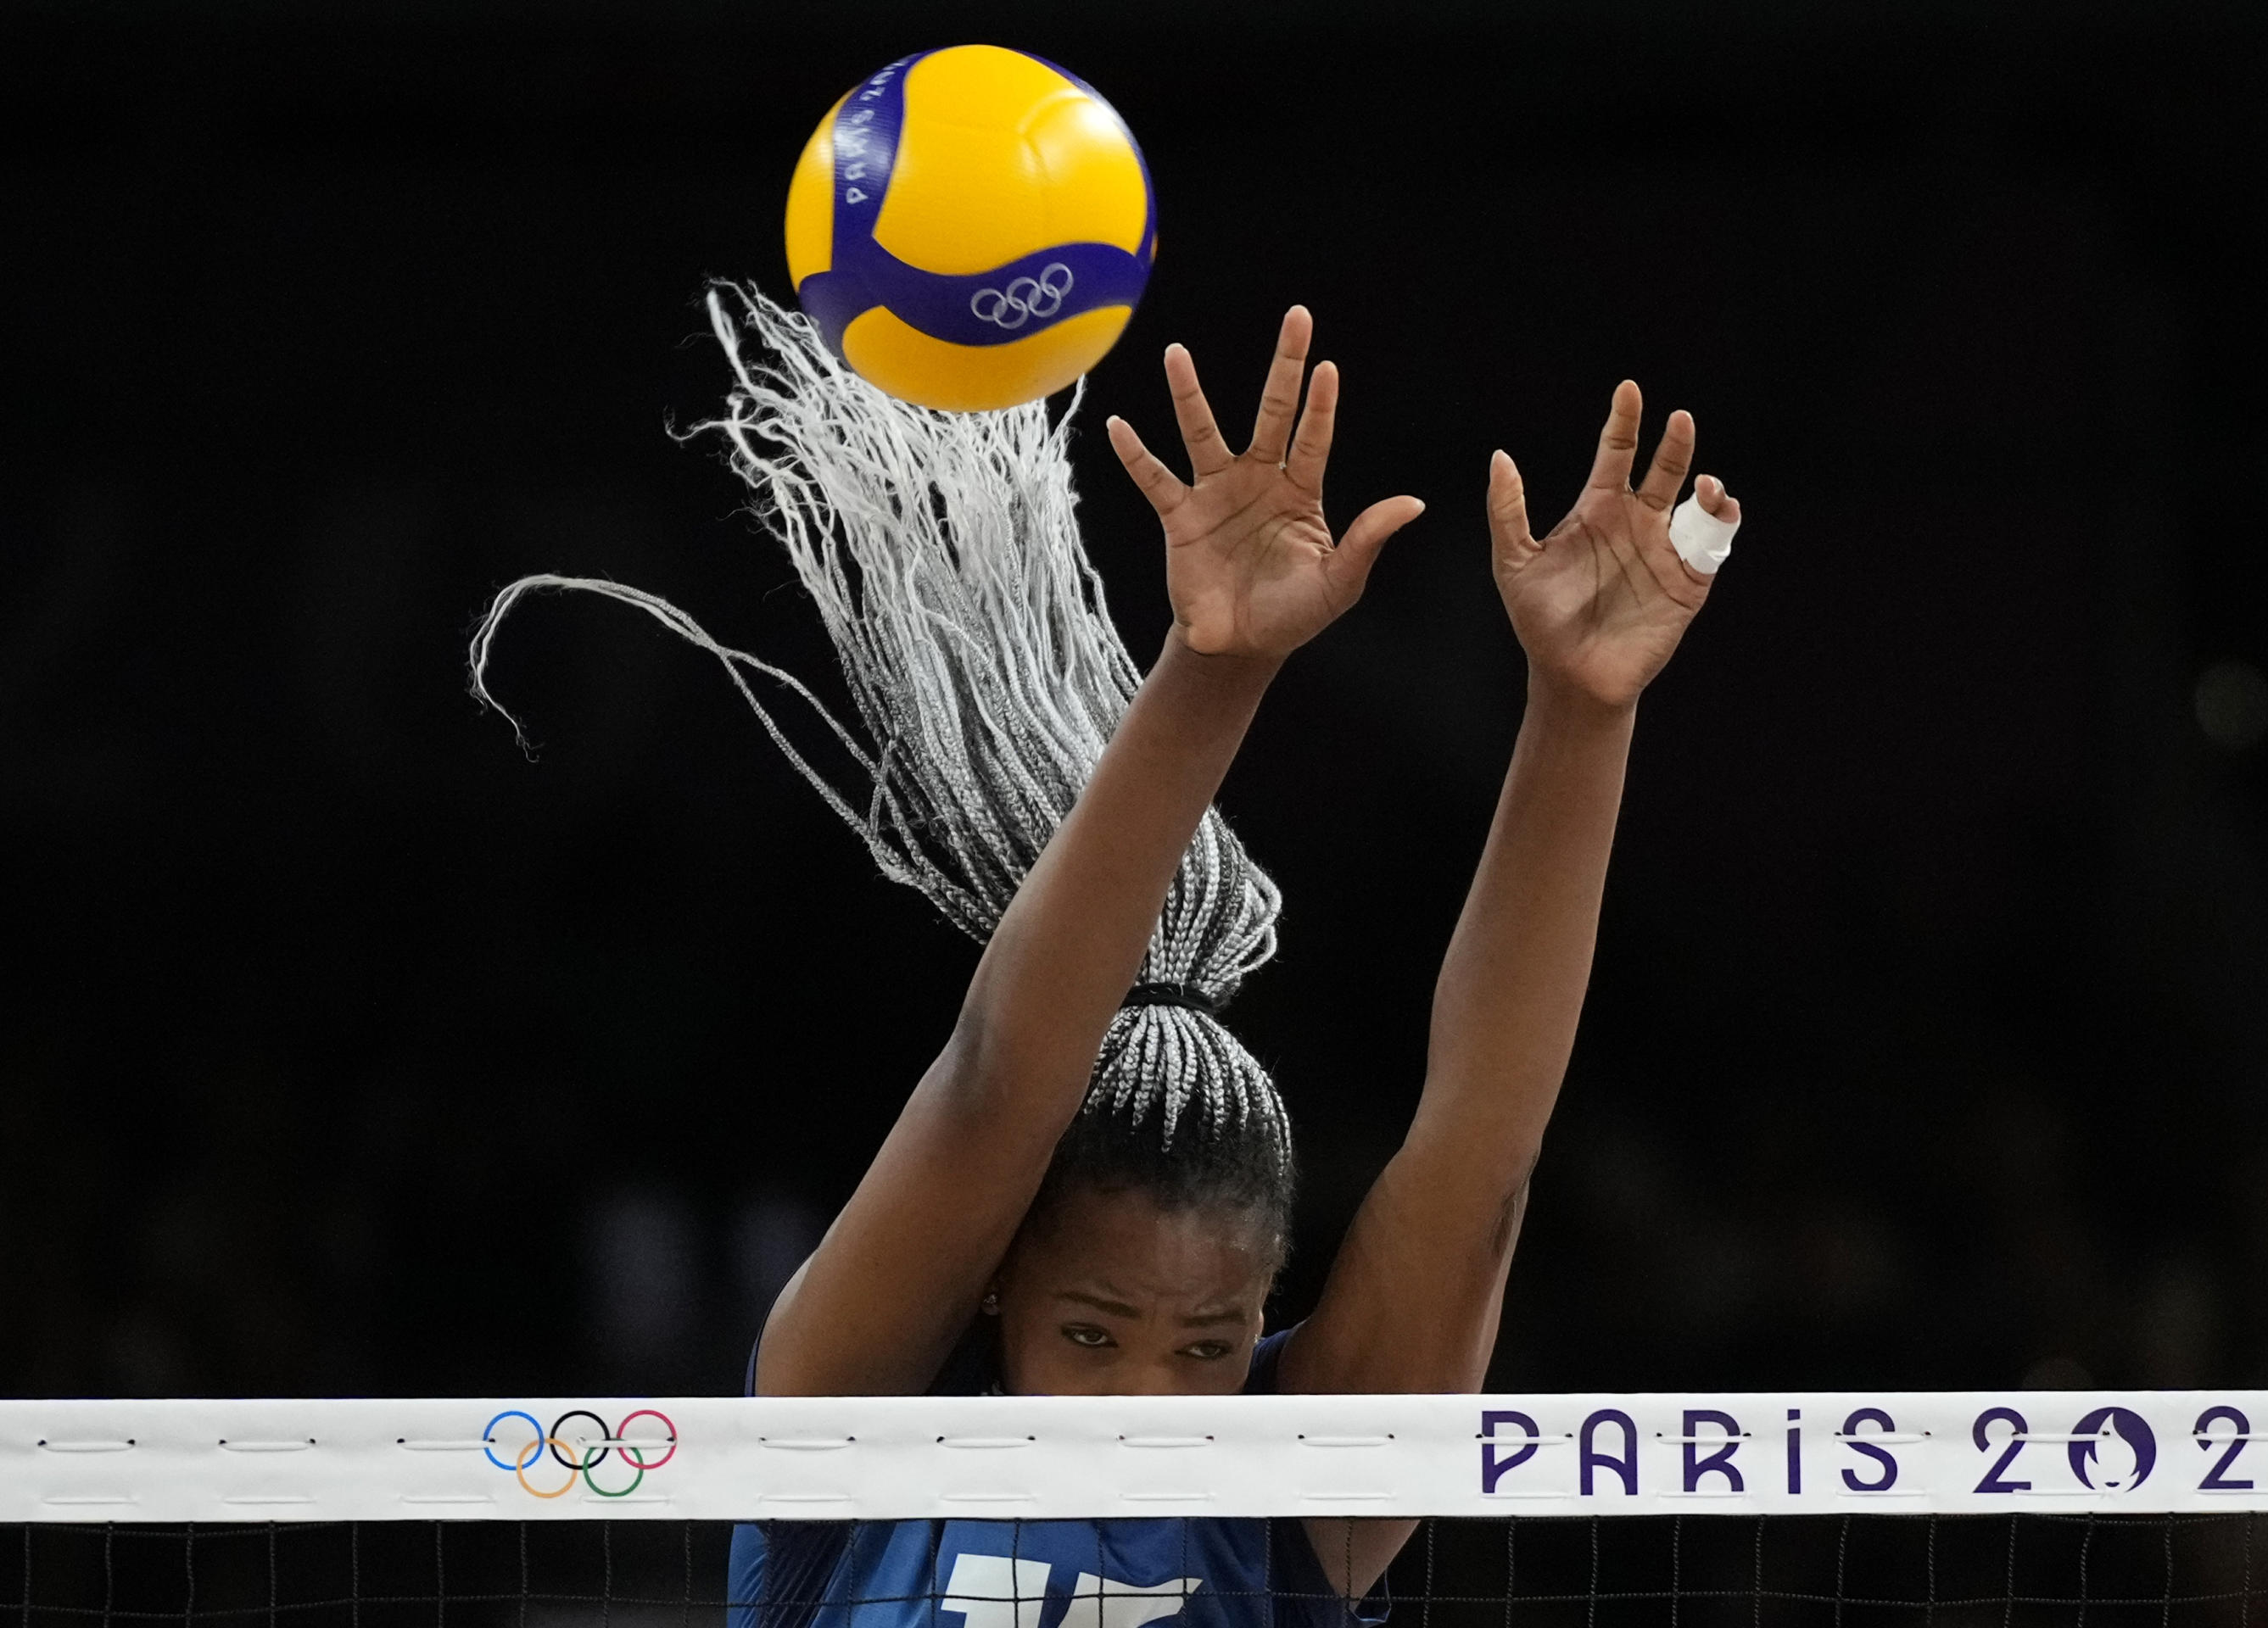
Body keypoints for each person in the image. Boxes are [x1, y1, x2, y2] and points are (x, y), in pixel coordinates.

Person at [473, 296, 1740, 1628]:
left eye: (1207, 1347)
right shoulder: (843, 1452)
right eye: (1091, 1335)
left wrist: (1584, 711)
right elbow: (995, 1090)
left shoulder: (1291, 1505)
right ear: (1002, 1278)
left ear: (1263, 1318)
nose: (1147, 1406)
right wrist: (1214, 672)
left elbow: (1481, 1155)